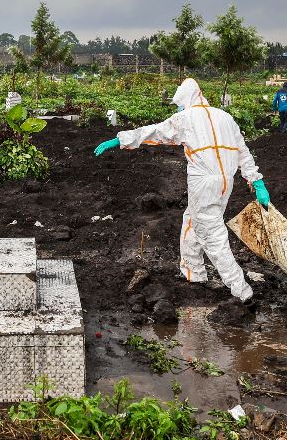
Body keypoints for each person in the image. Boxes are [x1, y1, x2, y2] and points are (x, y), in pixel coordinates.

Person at [93, 78, 270, 302]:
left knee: (212, 235)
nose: (178, 108)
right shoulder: (226, 117)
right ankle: (193, 272)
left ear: (185, 100)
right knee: (192, 220)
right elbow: (243, 152)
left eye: (179, 104)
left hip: (204, 182)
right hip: (226, 181)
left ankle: (241, 291)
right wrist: (257, 182)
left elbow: (154, 133)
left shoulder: (186, 118)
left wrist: (119, 140)